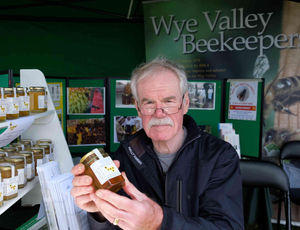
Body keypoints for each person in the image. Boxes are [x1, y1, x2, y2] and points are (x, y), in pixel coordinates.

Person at [71, 57, 244, 230]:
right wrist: (100, 211)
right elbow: (115, 224)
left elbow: (227, 227)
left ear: (185, 104)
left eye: (168, 102)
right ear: (138, 109)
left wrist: (160, 222)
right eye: (149, 103)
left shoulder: (219, 156)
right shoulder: (124, 156)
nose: (159, 114)